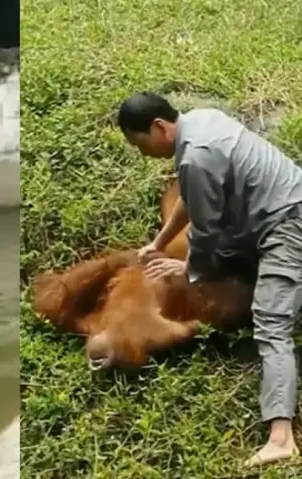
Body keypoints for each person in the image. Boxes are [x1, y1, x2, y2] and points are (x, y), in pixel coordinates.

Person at [118, 91, 302, 467]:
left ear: (159, 128)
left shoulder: (198, 156)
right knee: (224, 259)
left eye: (140, 145)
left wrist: (188, 269)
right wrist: (159, 243)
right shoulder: (201, 121)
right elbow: (190, 197)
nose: (143, 154)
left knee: (270, 323)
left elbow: (204, 232)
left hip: (289, 225)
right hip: (263, 219)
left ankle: (281, 437)